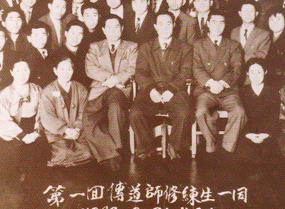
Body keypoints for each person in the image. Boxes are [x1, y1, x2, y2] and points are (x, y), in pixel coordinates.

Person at [129, 12, 193, 160]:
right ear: (155, 27)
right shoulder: (146, 48)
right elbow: (140, 73)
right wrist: (151, 90)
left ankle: (175, 147)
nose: (165, 27)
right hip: (150, 90)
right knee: (135, 113)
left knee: (184, 112)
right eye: (161, 24)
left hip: (176, 90)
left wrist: (172, 89)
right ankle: (145, 149)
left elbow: (186, 72)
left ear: (174, 26)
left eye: (169, 23)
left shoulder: (185, 48)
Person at [84, 15, 138, 171]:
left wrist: (116, 80)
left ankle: (115, 157)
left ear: (122, 28)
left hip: (120, 89)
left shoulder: (131, 46)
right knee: (88, 118)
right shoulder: (95, 46)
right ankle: (113, 153)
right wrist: (109, 78)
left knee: (115, 108)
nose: (113, 31)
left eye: (117, 27)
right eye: (109, 27)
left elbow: (133, 68)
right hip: (100, 89)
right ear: (103, 30)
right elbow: (90, 68)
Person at [193, 9, 246, 154]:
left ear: (225, 25)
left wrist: (221, 83)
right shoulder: (198, 45)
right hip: (205, 90)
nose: (217, 26)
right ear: (208, 24)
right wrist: (211, 83)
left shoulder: (233, 45)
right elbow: (196, 69)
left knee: (239, 112)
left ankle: (227, 148)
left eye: (221, 23)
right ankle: (211, 144)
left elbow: (237, 69)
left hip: (228, 91)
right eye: (214, 22)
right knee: (200, 112)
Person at [0, 58, 49, 180]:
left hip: (36, 129)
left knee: (41, 162)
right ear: (11, 72)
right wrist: (23, 136)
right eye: (18, 70)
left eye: (25, 70)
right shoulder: (5, 93)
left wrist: (36, 132)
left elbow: (44, 112)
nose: (22, 74)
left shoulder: (37, 89)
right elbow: (2, 120)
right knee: (15, 162)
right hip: (14, 133)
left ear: (30, 71)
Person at [39, 55, 93, 167]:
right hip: (57, 133)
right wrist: (65, 130)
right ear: (55, 71)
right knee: (63, 153)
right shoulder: (48, 90)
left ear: (73, 71)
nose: (66, 72)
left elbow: (85, 112)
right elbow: (46, 116)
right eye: (62, 69)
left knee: (88, 152)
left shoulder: (80, 88)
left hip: (77, 132)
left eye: (69, 69)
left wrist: (77, 129)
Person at [234, 58, 280, 164]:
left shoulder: (273, 91)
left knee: (270, 159)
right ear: (247, 73)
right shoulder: (242, 92)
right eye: (252, 72)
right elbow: (240, 117)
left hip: (267, 133)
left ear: (265, 72)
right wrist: (248, 134)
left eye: (259, 72)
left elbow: (275, 117)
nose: (256, 76)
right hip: (248, 133)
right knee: (244, 158)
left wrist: (266, 134)